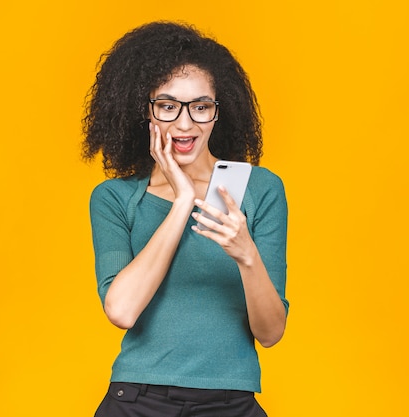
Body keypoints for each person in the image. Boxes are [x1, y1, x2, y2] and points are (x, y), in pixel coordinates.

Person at [82, 21, 289, 417]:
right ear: (144, 111)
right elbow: (122, 311)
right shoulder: (115, 198)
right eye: (167, 105)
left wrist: (247, 255)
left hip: (231, 401)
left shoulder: (259, 190)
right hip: (138, 400)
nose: (184, 123)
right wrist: (183, 202)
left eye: (200, 106)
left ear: (218, 111)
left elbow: (271, 333)